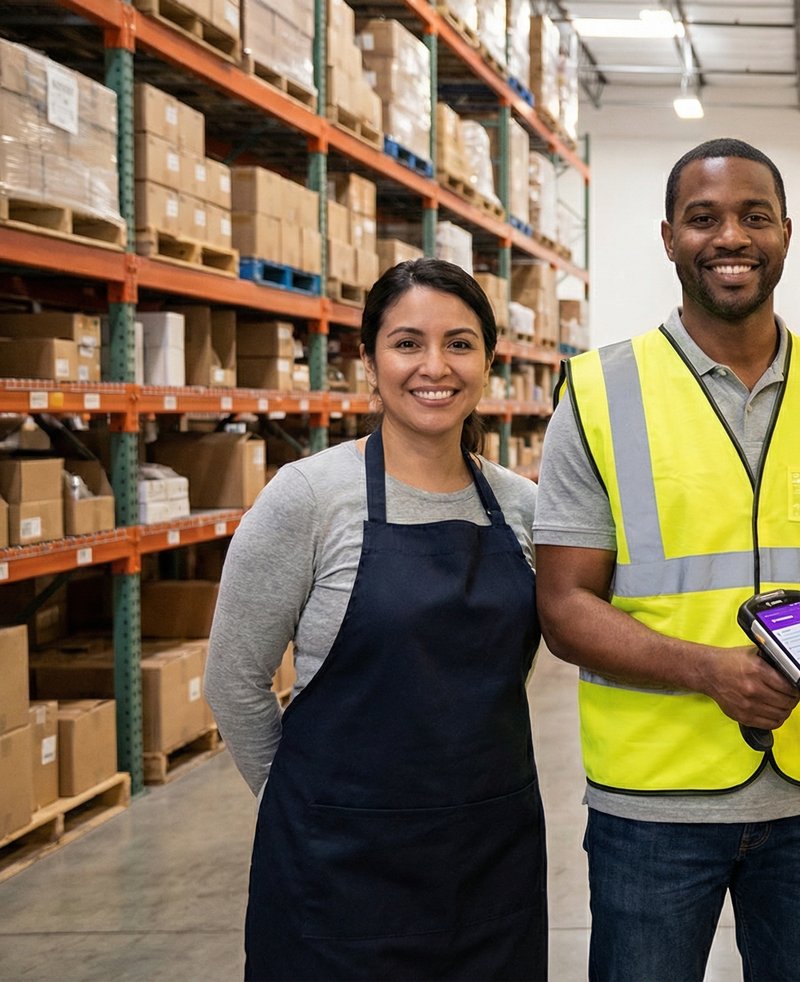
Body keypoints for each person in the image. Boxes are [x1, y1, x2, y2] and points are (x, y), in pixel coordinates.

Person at [534, 137, 800, 981]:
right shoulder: (599, 392)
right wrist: (709, 670)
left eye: (754, 216)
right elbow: (563, 607)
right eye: (703, 218)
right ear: (669, 237)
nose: (730, 237)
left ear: (787, 232)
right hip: (654, 804)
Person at [206, 259, 546, 980]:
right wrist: (301, 810)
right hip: (337, 877)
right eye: (407, 343)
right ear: (369, 360)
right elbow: (234, 680)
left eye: (459, 343)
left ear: (488, 359)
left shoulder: (520, 507)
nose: (434, 367)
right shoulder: (308, 498)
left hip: (490, 864)